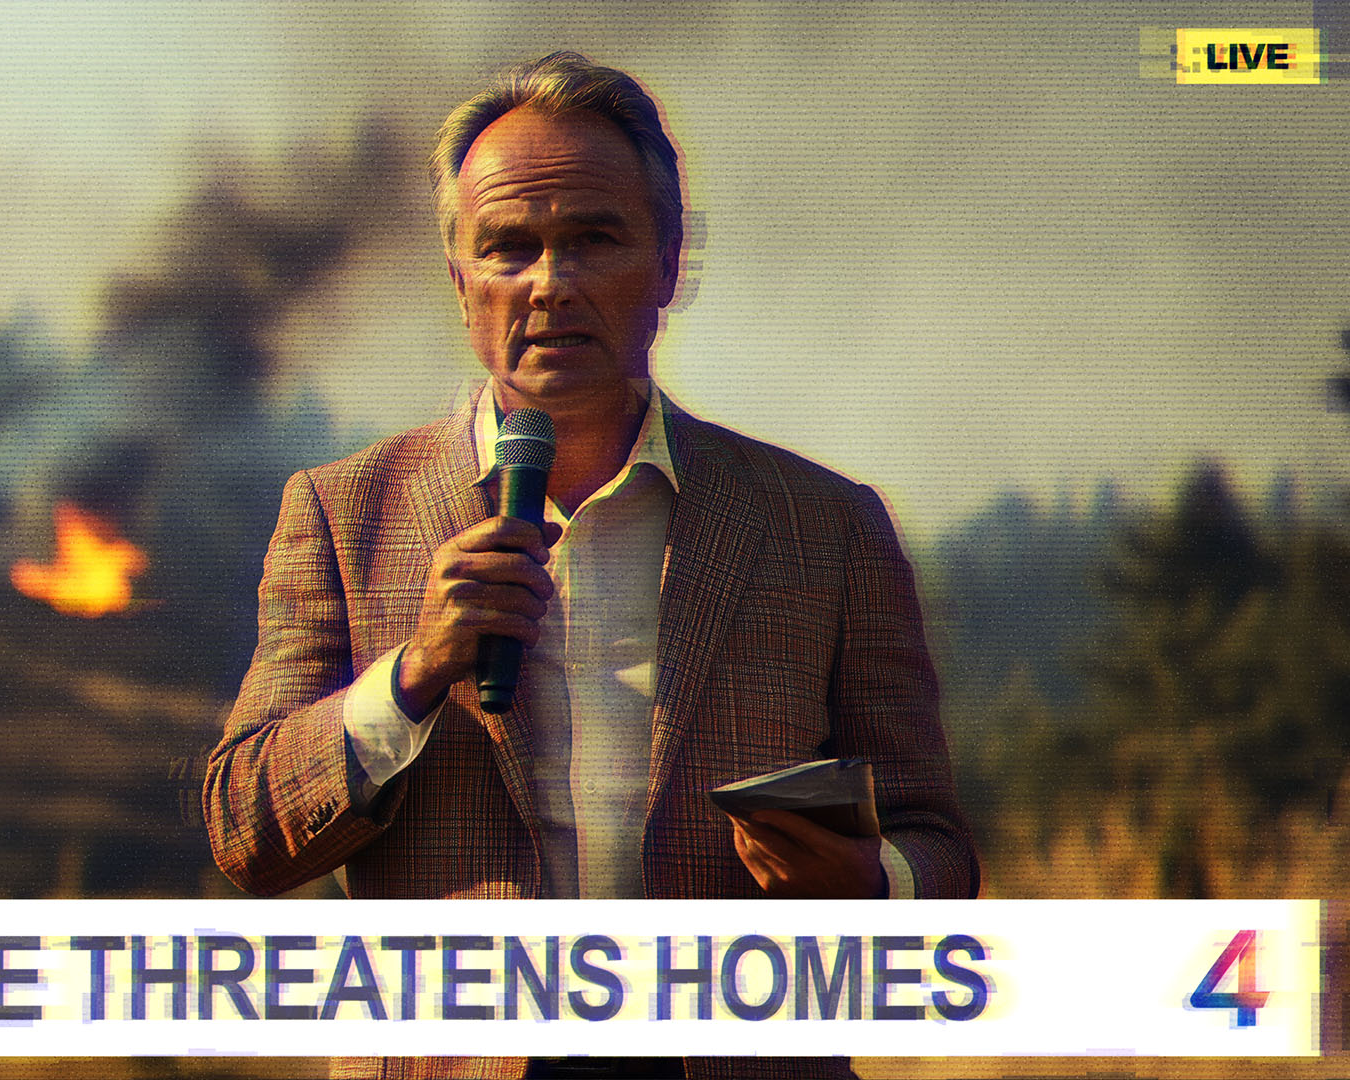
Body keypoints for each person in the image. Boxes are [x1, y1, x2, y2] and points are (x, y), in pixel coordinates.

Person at [204, 51, 978, 1080]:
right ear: (459, 278)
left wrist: (869, 884)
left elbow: (937, 842)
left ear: (667, 264)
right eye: (508, 248)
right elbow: (245, 830)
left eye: (593, 239)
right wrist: (412, 676)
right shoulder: (346, 513)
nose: (550, 284)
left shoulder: (824, 525)